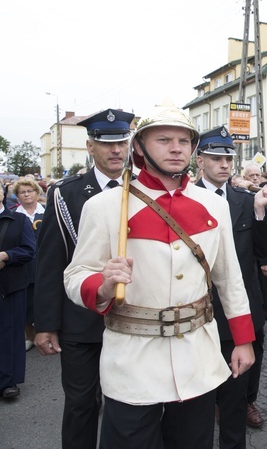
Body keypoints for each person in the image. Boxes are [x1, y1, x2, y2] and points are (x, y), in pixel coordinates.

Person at [63, 104, 256, 448]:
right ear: (139, 147)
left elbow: (229, 279)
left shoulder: (215, 205)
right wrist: (103, 284)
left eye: (184, 140)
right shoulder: (105, 206)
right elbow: (76, 275)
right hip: (132, 361)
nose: (176, 147)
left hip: (197, 357)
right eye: (164, 139)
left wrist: (243, 339)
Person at [34, 108, 134, 449]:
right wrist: (46, 324)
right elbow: (50, 263)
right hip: (81, 321)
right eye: (107, 144)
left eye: (122, 142)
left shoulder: (144, 192)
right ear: (90, 147)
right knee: (81, 405)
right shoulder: (66, 194)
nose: (116, 150)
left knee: (131, 407)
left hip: (133, 318)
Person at [195, 126, 267, 444]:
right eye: (216, 158)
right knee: (197, 402)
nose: (224, 164)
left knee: (235, 397)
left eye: (228, 158)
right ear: (200, 161)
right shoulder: (187, 200)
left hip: (239, 310)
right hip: (199, 312)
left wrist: (259, 213)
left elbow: (262, 251)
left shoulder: (245, 200)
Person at [0, 184, 36, 399]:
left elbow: (29, 250)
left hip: (11, 286)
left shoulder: (19, 220)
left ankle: (8, 381)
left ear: (3, 194)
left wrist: (6, 256)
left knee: (10, 334)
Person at [12, 178, 45, 351]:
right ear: (17, 196)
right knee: (26, 303)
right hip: (24, 266)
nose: (26, 195)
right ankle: (30, 335)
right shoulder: (13, 216)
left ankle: (48, 333)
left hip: (46, 264)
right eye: (22, 192)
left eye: (29, 191)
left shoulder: (47, 212)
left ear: (37, 193)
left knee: (46, 300)